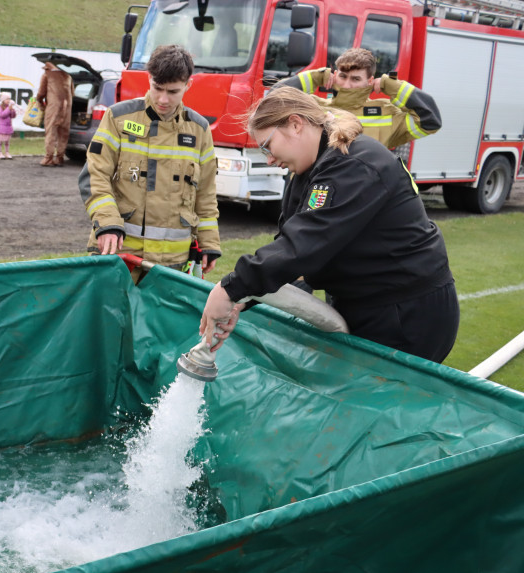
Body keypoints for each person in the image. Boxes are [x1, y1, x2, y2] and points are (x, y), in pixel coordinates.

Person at [200, 86, 458, 363]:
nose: (270, 160)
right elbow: (290, 249)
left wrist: (229, 289)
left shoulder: (354, 163)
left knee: (377, 400)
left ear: (295, 124)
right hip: (366, 302)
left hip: (405, 313)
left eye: (267, 146)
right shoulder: (313, 167)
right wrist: (244, 297)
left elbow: (303, 246)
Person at [79, 45, 221, 273]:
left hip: (172, 263)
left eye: (173, 91)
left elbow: (206, 194)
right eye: (157, 88)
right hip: (119, 256)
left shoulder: (200, 130)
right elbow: (95, 176)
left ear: (188, 85)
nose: (163, 99)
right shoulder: (118, 118)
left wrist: (209, 242)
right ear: (149, 79)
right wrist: (107, 224)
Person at [273, 47, 441, 150]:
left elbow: (430, 120)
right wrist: (313, 77)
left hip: (362, 195)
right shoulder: (313, 106)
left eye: (355, 79)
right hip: (314, 191)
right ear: (334, 75)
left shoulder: (386, 113)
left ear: (370, 81)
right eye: (343, 76)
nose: (346, 85)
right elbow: (272, 101)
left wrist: (393, 86)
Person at [37, 61, 72, 167]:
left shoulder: (47, 75)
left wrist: (41, 103)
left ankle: (48, 158)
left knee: (51, 132)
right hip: (67, 107)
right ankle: (60, 157)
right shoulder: (68, 75)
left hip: (53, 107)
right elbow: (72, 92)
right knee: (63, 132)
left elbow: (41, 93)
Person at [0, 93, 17, 159]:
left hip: (8, 127)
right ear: (3, 100)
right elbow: (2, 115)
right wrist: (9, 109)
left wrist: (12, 110)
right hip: (1, 127)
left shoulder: (9, 107)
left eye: (9, 99)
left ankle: (7, 152)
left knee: (7, 141)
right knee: (0, 141)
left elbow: (13, 116)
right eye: (7, 99)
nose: (9, 100)